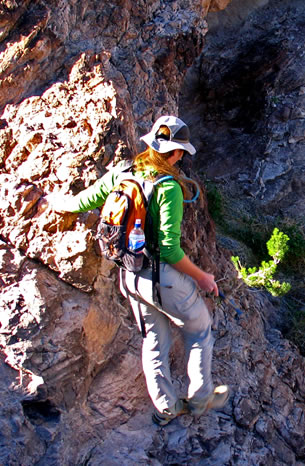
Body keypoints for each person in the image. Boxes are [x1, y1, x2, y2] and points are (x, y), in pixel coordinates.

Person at [48, 115, 229, 425]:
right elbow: (170, 249)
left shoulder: (123, 172)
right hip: (162, 278)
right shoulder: (168, 187)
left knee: (155, 341)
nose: (181, 157)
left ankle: (167, 409)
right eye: (180, 152)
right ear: (173, 153)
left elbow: (83, 200)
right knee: (200, 329)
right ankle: (200, 399)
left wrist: (56, 202)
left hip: (129, 276)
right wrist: (202, 277)